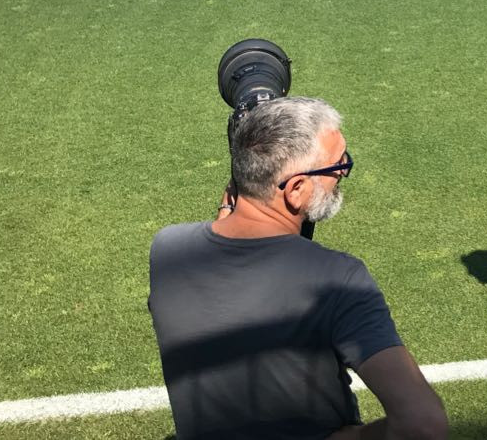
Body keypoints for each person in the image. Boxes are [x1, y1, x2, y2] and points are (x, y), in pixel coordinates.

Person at [148, 96, 448, 440]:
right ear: (296, 190)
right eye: (337, 166)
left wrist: (228, 211)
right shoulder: (337, 278)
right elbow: (423, 425)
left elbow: (229, 301)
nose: (342, 173)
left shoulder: (167, 250)